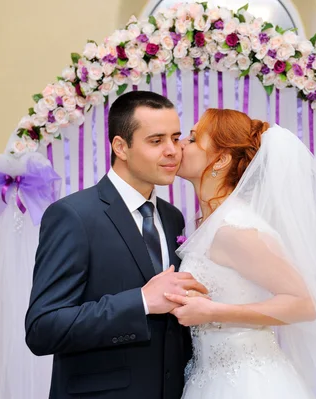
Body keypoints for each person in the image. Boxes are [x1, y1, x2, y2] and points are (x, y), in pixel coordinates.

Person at [25, 91, 207, 399]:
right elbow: (43, 328)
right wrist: (142, 302)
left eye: (176, 138)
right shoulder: (73, 216)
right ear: (120, 147)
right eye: (156, 140)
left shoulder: (172, 217)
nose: (172, 151)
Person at [165, 109, 316, 398]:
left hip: (249, 383)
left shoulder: (234, 229)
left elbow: (304, 304)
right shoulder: (210, 223)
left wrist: (214, 312)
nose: (179, 146)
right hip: (209, 377)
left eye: (192, 138)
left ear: (221, 159)